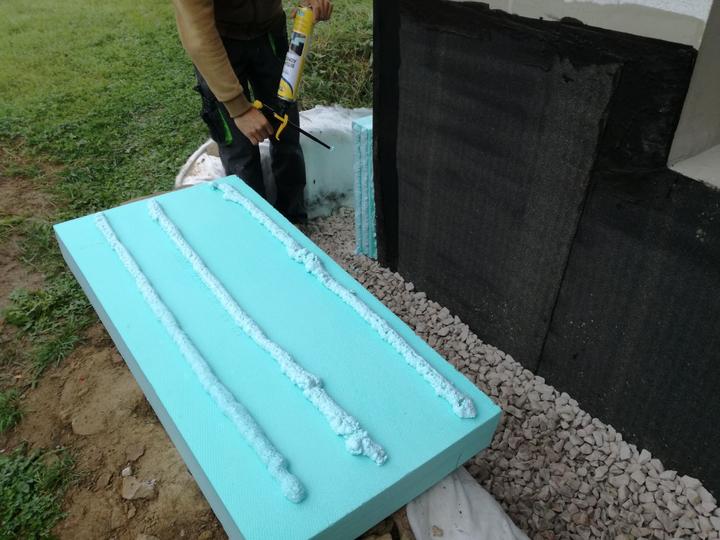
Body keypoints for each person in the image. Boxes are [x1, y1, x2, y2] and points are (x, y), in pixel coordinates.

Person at [172, 0, 333, 223]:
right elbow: (198, 35)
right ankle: (259, 229)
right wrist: (238, 109)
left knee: (286, 131)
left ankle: (294, 220)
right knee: (240, 151)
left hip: (269, 32)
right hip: (216, 44)